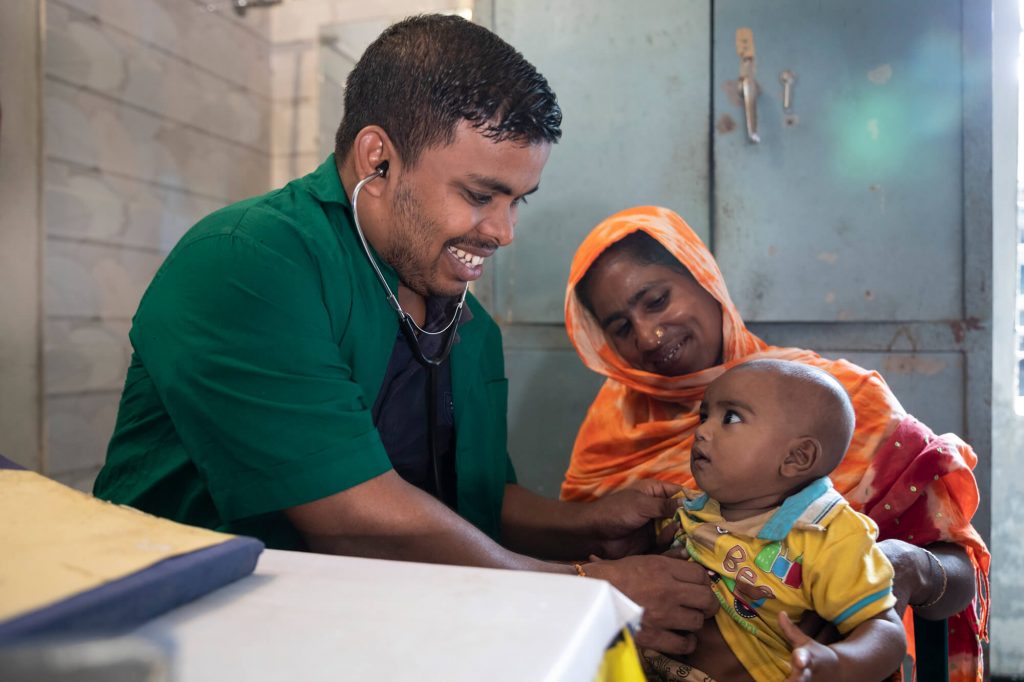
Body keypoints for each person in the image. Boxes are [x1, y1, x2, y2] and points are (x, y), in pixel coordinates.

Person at [92, 17, 717, 655]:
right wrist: (586, 589)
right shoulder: (249, 261)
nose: (504, 232)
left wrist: (584, 526)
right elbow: (353, 518)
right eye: (480, 194)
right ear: (379, 158)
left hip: (368, 629)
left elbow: (472, 499)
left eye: (518, 201)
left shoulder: (469, 327)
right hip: (183, 638)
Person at [561, 206, 990, 679]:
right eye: (620, 327)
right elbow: (589, 571)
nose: (647, 334)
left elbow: (959, 576)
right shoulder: (612, 431)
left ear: (703, 277)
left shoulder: (836, 400)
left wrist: (908, 569)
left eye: (657, 300)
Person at [651, 358, 905, 682]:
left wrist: (836, 662)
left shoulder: (826, 534)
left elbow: (884, 629)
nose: (701, 431)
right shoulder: (685, 509)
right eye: (704, 415)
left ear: (796, 457)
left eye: (730, 417)